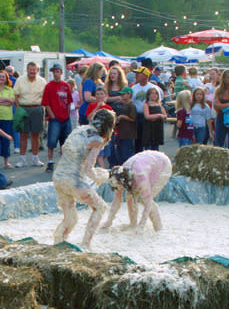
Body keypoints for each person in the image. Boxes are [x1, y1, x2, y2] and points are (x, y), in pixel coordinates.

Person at [52, 109, 115, 249]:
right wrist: (103, 175)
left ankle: (58, 242)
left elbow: (64, 148)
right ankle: (86, 244)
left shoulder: (79, 130)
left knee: (71, 218)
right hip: (73, 180)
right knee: (100, 207)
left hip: (58, 177)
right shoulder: (97, 140)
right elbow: (89, 169)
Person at [100, 151, 173, 231]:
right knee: (130, 196)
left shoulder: (141, 178)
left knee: (145, 200)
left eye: (119, 186)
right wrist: (109, 221)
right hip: (144, 162)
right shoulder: (121, 174)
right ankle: (133, 224)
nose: (119, 188)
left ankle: (158, 227)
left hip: (163, 165)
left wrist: (141, 225)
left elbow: (148, 203)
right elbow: (117, 199)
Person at [14, 62, 47, 167]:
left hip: (37, 108)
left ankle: (35, 158)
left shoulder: (42, 81)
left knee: (36, 134)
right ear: (27, 70)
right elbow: (15, 95)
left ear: (37, 70)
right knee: (23, 134)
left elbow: (45, 97)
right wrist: (19, 109)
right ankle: (22, 159)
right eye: (30, 69)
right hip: (24, 108)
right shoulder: (20, 80)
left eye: (34, 69)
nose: (32, 71)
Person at [42, 63, 73, 172]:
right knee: (52, 141)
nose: (56, 74)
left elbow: (69, 101)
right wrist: (52, 115)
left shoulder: (66, 86)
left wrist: (68, 114)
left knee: (65, 142)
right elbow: (46, 103)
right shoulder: (49, 86)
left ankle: (64, 162)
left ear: (61, 72)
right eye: (54, 72)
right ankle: (50, 161)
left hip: (65, 117)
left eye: (57, 72)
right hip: (55, 118)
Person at [112, 87, 137, 165]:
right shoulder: (121, 104)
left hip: (128, 133)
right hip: (120, 132)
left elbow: (133, 118)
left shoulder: (131, 105)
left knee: (127, 152)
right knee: (120, 152)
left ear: (129, 94)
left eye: (124, 94)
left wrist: (123, 116)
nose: (122, 96)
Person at [131, 66, 154, 152]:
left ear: (145, 76)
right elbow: (132, 102)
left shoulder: (152, 88)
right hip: (138, 115)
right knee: (138, 139)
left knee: (148, 139)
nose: (136, 76)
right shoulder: (134, 88)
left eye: (138, 74)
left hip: (149, 115)